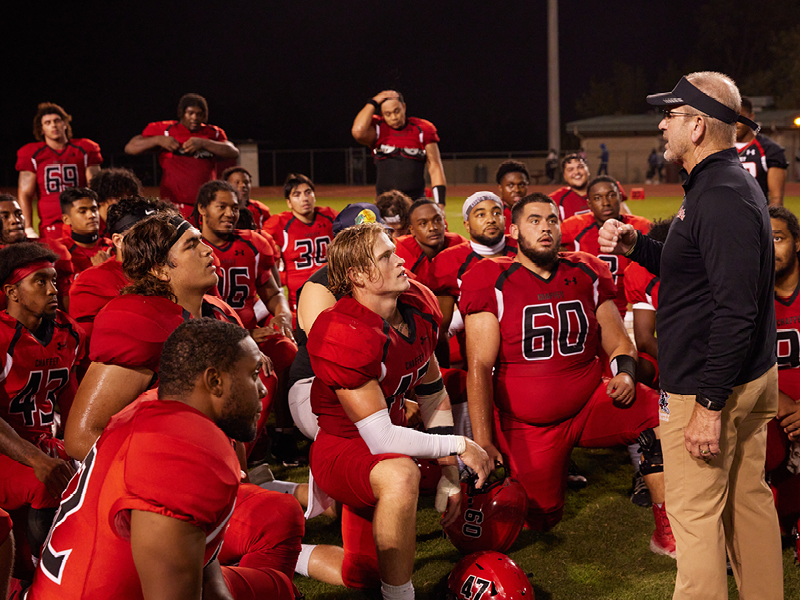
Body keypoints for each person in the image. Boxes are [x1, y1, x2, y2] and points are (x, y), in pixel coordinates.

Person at [599, 71, 781, 599]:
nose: (662, 125)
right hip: (745, 377)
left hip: (712, 384)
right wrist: (639, 247)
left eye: (671, 116)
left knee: (695, 518)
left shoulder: (719, 193)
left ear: (698, 125)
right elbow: (696, 271)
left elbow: (735, 311)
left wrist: (706, 403)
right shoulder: (718, 183)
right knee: (748, 504)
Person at [64, 212, 305, 599]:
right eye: (192, 245)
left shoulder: (216, 310)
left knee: (275, 537)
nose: (208, 250)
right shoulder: (139, 321)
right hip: (153, 501)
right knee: (275, 516)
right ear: (160, 269)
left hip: (207, 481)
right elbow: (80, 437)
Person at [460, 194, 673, 556]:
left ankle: (668, 529)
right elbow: (479, 367)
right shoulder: (490, 278)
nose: (545, 227)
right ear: (514, 231)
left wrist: (623, 373)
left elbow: (619, 341)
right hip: (528, 422)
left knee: (664, 415)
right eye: (534, 220)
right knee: (541, 518)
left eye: (552, 220)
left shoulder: (587, 270)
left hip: (590, 402)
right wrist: (482, 441)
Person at [25, 318, 277, 599]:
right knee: (278, 520)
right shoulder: (183, 451)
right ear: (214, 381)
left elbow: (200, 556)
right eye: (254, 374)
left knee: (275, 582)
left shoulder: (154, 410)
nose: (262, 389)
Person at [306, 221, 492, 598]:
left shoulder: (416, 304)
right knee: (402, 475)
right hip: (344, 448)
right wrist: (460, 446)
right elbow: (378, 437)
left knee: (361, 574)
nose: (400, 259)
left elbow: (432, 389)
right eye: (386, 255)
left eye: (394, 250)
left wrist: (449, 473)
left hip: (390, 443)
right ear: (357, 275)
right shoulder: (342, 330)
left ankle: (283, 549)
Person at [194, 180, 298, 462]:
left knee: (288, 352)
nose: (230, 213)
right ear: (202, 208)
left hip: (251, 332)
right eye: (222, 206)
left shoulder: (253, 244)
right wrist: (246, 336)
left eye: (235, 207)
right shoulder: (190, 247)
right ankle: (237, 448)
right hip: (210, 336)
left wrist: (282, 313)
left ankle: (279, 434)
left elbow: (273, 292)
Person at [0, 243, 82, 581]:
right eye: (40, 281)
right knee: (47, 483)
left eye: (53, 279)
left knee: (92, 476)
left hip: (43, 440)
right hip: (8, 446)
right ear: (12, 292)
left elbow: (73, 403)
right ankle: (45, 581)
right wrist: (38, 460)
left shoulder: (68, 331)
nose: (53, 289)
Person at [68, 196, 175, 345]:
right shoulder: (91, 282)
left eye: (156, 233)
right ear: (118, 241)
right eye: (143, 235)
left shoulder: (168, 267)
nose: (153, 240)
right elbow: (91, 344)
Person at [124, 93, 239, 219]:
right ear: (182, 113)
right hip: (173, 204)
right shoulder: (165, 129)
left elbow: (233, 151)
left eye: (199, 114)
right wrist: (158, 140)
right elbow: (130, 148)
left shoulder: (213, 133)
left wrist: (203, 143)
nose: (195, 117)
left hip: (206, 203)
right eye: (190, 113)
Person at [561, 176, 651, 317]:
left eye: (611, 196)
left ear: (620, 197)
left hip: (629, 308)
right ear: (589, 203)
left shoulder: (641, 227)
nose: (606, 203)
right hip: (587, 308)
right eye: (597, 198)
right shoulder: (574, 227)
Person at [766, 205, 800, 558]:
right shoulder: (746, 295)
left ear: (798, 243)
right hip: (769, 406)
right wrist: (778, 401)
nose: (770, 248)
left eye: (778, 238)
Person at [16, 103, 103, 240]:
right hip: (51, 222)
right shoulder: (33, 154)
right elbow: (25, 193)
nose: (53, 125)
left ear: (65, 124)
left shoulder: (84, 148)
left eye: (57, 120)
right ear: (42, 129)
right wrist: (28, 227)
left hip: (81, 219)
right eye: (47, 122)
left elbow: (96, 188)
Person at [351, 90, 446, 204]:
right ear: (382, 114)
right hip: (386, 205)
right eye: (388, 114)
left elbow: (435, 166)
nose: (394, 117)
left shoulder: (422, 128)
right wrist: (373, 102)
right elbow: (358, 131)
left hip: (415, 202)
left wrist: (440, 203)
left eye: (397, 111)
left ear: (404, 107)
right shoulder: (378, 128)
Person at [263, 173, 337, 314]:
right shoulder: (279, 224)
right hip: (300, 297)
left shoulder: (329, 217)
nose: (304, 198)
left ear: (314, 196)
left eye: (308, 193)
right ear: (289, 202)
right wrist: (285, 278)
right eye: (297, 195)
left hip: (333, 290)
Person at [393, 199, 466, 287]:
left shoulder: (459, 244)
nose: (432, 227)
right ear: (412, 229)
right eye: (423, 223)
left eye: (437, 220)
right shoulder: (398, 250)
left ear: (444, 222)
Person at [736, 96, 788, 206]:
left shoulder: (770, 149)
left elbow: (776, 201)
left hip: (757, 218)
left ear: (751, 117)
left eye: (740, 117)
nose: (735, 122)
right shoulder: (717, 147)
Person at [51, 187, 112, 276]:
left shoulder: (112, 246)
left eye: (94, 210)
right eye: (83, 211)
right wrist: (102, 269)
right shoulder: (58, 252)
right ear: (66, 219)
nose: (91, 215)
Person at [87, 167, 143, 236]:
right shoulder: (89, 228)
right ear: (101, 199)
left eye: (129, 198)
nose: (125, 203)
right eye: (118, 197)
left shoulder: (133, 223)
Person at [222, 166, 272, 230]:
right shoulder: (220, 209)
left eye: (246, 182)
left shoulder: (261, 210)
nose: (242, 185)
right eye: (237, 182)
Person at [495, 160, 529, 235]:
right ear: (500, 187)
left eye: (521, 185)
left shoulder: (534, 212)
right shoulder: (493, 216)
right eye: (510, 185)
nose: (517, 190)